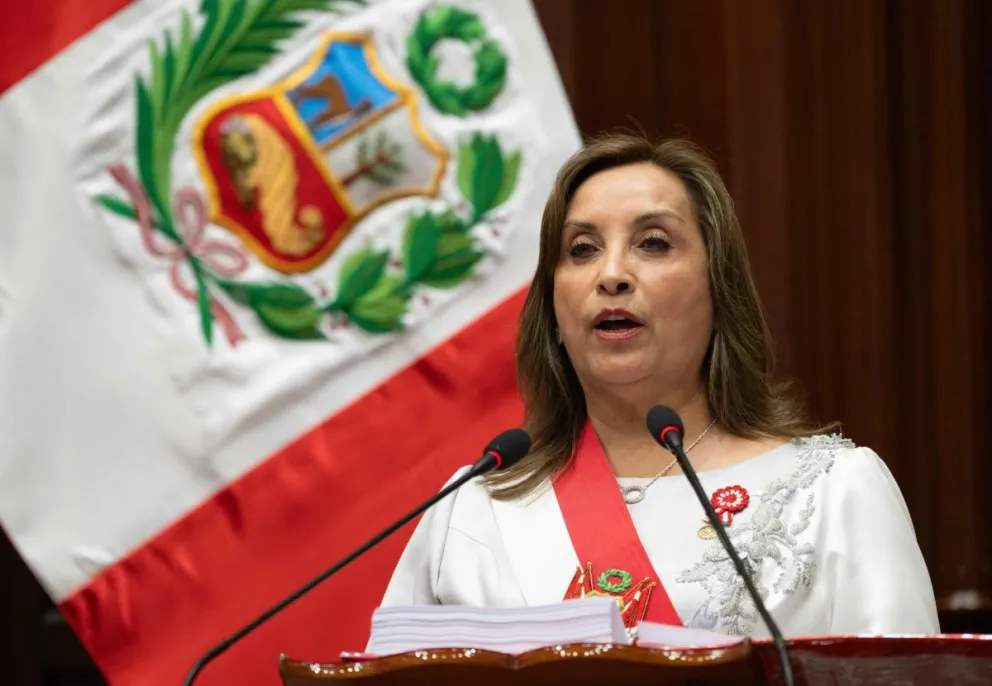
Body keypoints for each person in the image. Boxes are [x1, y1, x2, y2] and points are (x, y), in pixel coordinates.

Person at [375, 132, 940, 638]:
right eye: (581, 249)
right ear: (552, 309)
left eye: (653, 243)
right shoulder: (472, 508)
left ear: (720, 292)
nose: (612, 273)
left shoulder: (833, 493)